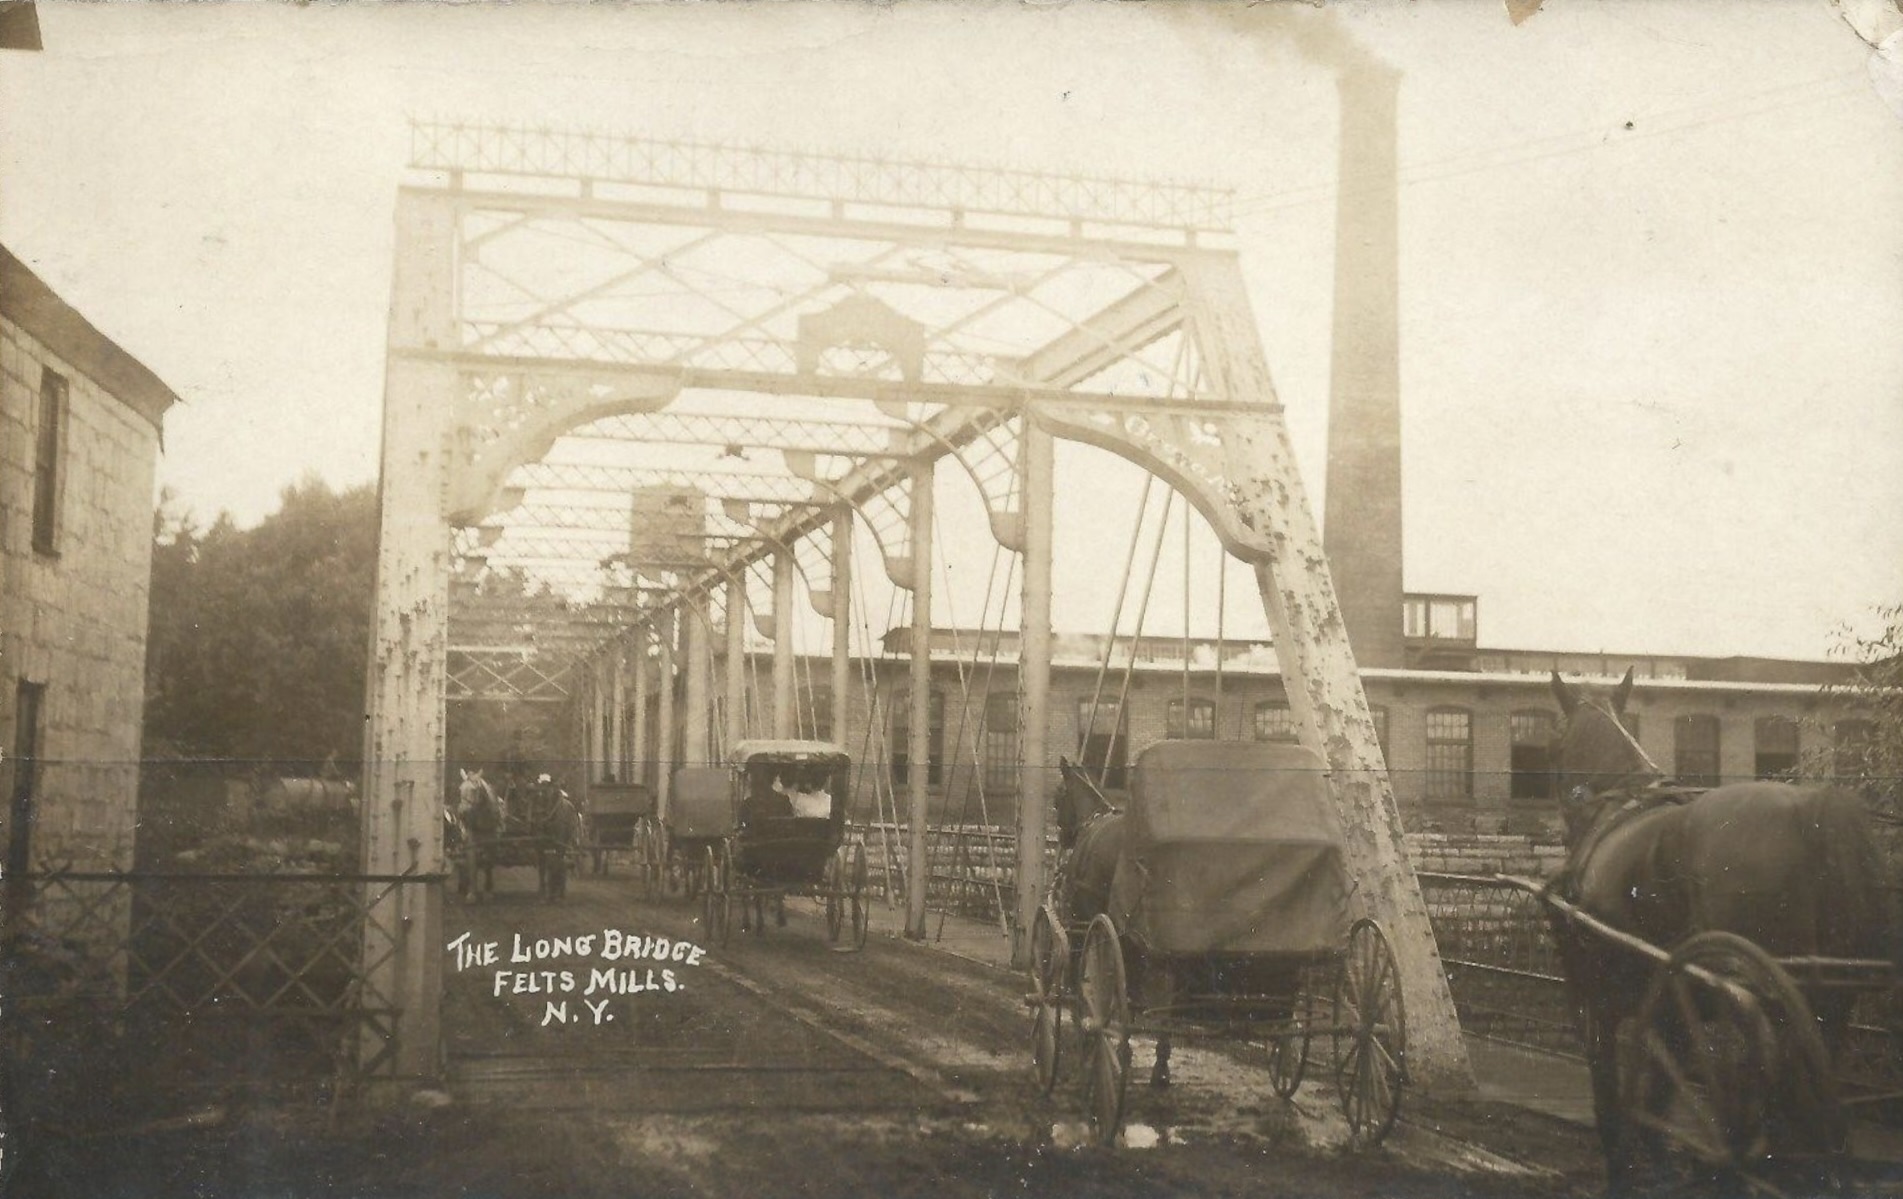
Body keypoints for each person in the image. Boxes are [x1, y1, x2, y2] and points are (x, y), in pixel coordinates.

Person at [542, 788, 583, 902]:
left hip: (561, 841)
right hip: (552, 841)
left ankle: (557, 893)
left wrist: (570, 840)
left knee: (557, 866)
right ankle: (555, 893)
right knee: (553, 866)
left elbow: (572, 825)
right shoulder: (549, 806)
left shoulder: (567, 808)